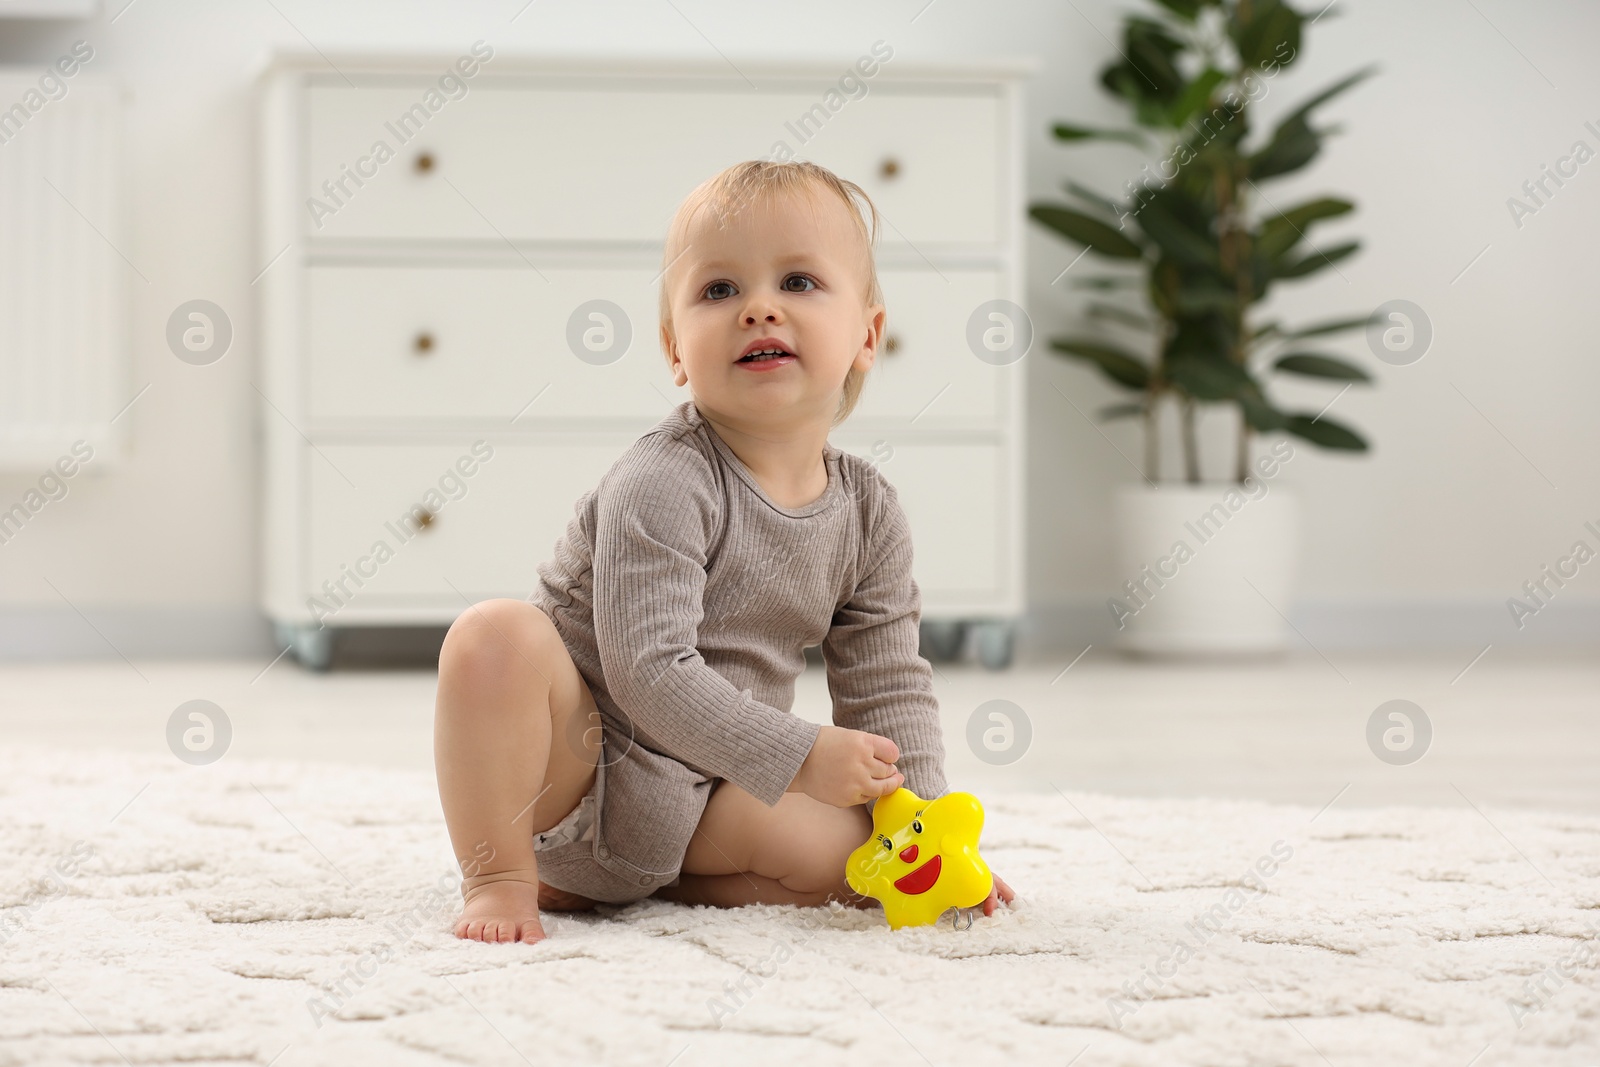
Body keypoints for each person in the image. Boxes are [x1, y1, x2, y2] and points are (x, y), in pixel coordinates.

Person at [434, 159, 1016, 943]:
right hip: (577, 781)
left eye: (800, 282)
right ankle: (501, 876)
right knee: (493, 636)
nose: (759, 309)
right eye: (719, 291)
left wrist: (933, 834)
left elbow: (888, 685)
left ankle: (671, 879)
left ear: (867, 336)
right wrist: (801, 752)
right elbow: (647, 672)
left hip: (703, 797)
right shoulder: (664, 479)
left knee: (857, 851)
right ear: (677, 351)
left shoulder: (868, 512)